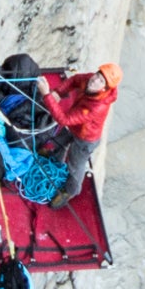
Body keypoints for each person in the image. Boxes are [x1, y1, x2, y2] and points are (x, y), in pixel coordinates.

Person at [40, 62, 121, 208]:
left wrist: (47, 95)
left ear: (104, 89)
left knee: (75, 166)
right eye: (98, 75)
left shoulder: (97, 106)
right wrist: (58, 92)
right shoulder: (91, 80)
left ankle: (70, 191)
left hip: (86, 140)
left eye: (101, 81)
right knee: (59, 141)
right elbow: (74, 80)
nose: (95, 80)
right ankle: (55, 159)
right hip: (77, 127)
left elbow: (64, 120)